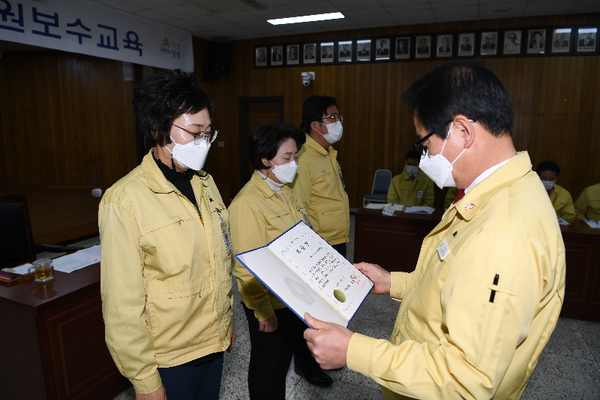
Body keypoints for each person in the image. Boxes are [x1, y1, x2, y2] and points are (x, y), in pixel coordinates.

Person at [304, 60, 566, 400]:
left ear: (462, 131)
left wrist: (353, 350)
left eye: (425, 145)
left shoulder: (504, 233)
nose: (424, 157)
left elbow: (465, 379)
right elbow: (453, 281)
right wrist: (392, 282)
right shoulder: (496, 195)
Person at [99, 69, 234, 400]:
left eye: (208, 134)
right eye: (194, 133)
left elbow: (220, 260)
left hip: (212, 342)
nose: (203, 143)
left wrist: (226, 326)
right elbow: (122, 306)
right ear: (158, 130)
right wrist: (144, 380)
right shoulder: (124, 201)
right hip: (170, 359)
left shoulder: (206, 183)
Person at [229, 122, 332, 399]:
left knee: (282, 361)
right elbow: (246, 268)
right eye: (287, 157)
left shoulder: (287, 192)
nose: (294, 162)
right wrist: (263, 311)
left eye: (296, 156)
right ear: (265, 159)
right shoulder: (247, 204)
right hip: (268, 301)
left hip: (294, 297)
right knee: (266, 366)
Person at [291, 96, 350, 257]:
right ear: (315, 125)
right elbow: (298, 208)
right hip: (319, 242)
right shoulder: (303, 159)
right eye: (332, 117)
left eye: (339, 117)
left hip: (338, 238)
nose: (338, 122)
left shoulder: (329, 154)